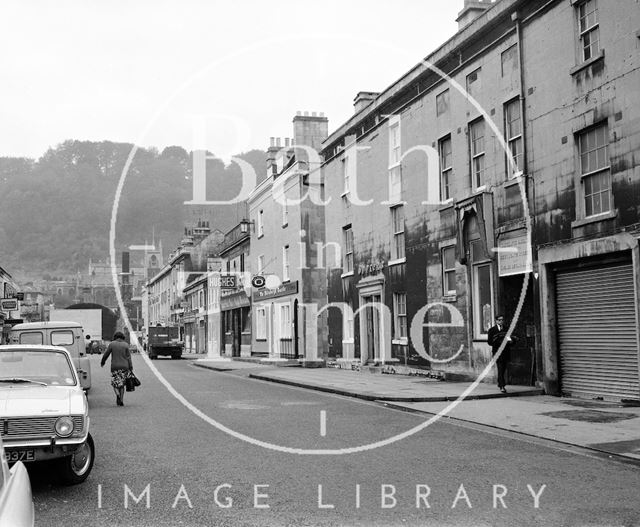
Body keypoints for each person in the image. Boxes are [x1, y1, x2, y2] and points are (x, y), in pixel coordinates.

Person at [100, 331, 133, 406]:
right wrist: (130, 367)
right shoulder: (125, 345)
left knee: (115, 384)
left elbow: (106, 354)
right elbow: (129, 357)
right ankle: (121, 400)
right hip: (124, 367)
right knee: (122, 384)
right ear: (122, 337)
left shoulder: (112, 344)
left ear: (115, 337)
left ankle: (117, 395)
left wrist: (103, 362)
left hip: (115, 367)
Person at [487, 314, 516, 394]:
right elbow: (489, 342)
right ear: (496, 321)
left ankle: (500, 383)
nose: (501, 321)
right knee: (500, 368)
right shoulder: (492, 330)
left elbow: (511, 340)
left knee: (503, 369)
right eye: (499, 320)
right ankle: (502, 386)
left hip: (505, 352)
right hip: (497, 352)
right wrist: (496, 341)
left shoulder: (507, 329)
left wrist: (511, 341)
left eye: (502, 320)